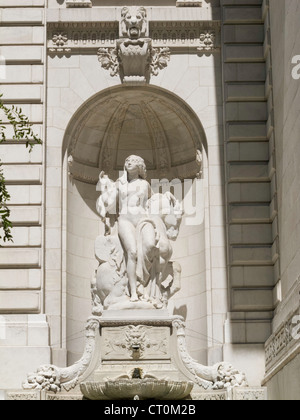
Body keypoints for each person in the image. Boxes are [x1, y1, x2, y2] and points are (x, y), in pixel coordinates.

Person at [97, 155, 153, 302]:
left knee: (149, 246)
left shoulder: (145, 184)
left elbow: (150, 205)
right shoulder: (119, 184)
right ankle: (133, 291)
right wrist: (105, 186)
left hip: (142, 219)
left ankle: (144, 286)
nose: (128, 162)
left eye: (133, 161)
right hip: (125, 219)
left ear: (140, 166)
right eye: (127, 160)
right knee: (133, 252)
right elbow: (110, 203)